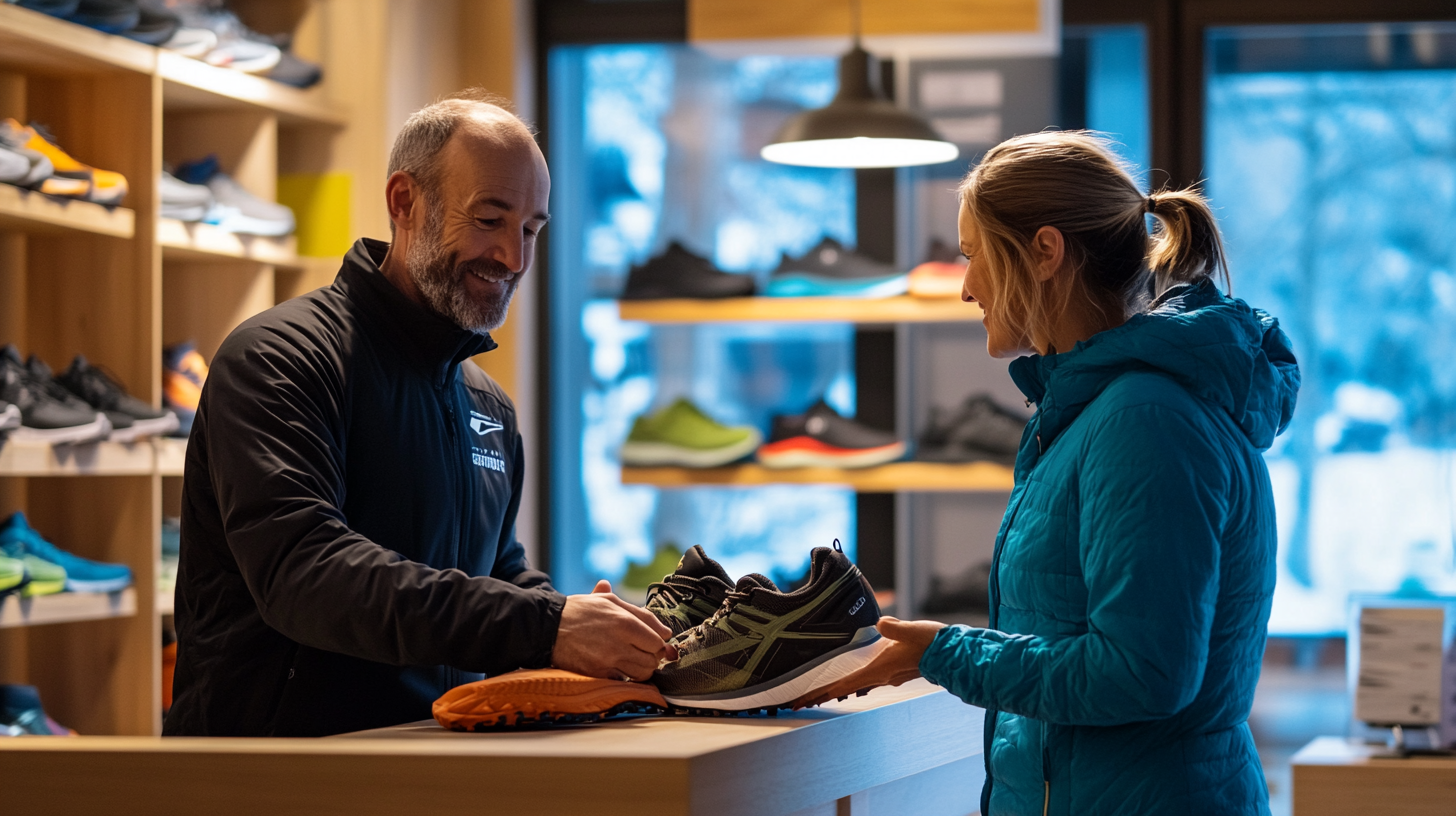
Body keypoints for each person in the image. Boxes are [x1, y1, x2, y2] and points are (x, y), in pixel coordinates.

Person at [805, 131, 1300, 815]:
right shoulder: (1091, 410)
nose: (967, 288)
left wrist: (948, 654)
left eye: (975, 257)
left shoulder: (1145, 420)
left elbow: (1142, 674)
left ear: (1044, 252)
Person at [165, 91, 673, 738]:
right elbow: (306, 576)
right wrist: (545, 627)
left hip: (429, 766)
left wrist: (583, 622)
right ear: (405, 202)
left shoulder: (487, 404)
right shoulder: (280, 359)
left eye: (530, 230)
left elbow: (494, 570)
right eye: (490, 219)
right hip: (274, 776)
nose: (514, 258)